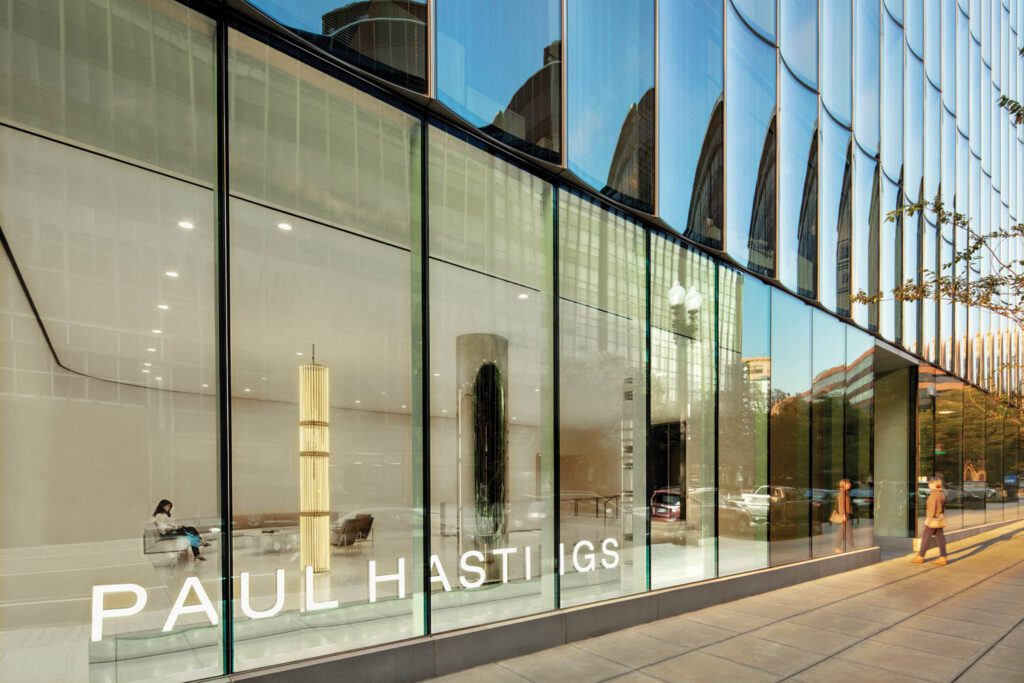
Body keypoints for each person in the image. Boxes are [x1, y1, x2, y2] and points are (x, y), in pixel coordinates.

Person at [912, 478, 948, 566]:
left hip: (933, 520)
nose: (929, 485)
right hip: (938, 519)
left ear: (934, 484)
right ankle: (943, 557)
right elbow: (942, 507)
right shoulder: (941, 494)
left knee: (926, 538)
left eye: (930, 483)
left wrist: (929, 518)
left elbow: (932, 508)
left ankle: (920, 556)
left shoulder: (933, 494)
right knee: (940, 538)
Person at [834, 479, 854, 553]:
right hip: (844, 515)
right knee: (843, 532)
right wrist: (843, 515)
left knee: (847, 532)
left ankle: (851, 546)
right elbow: (841, 506)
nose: (850, 485)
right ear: (843, 484)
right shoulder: (842, 493)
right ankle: (838, 547)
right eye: (848, 483)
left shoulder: (845, 493)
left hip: (846, 514)